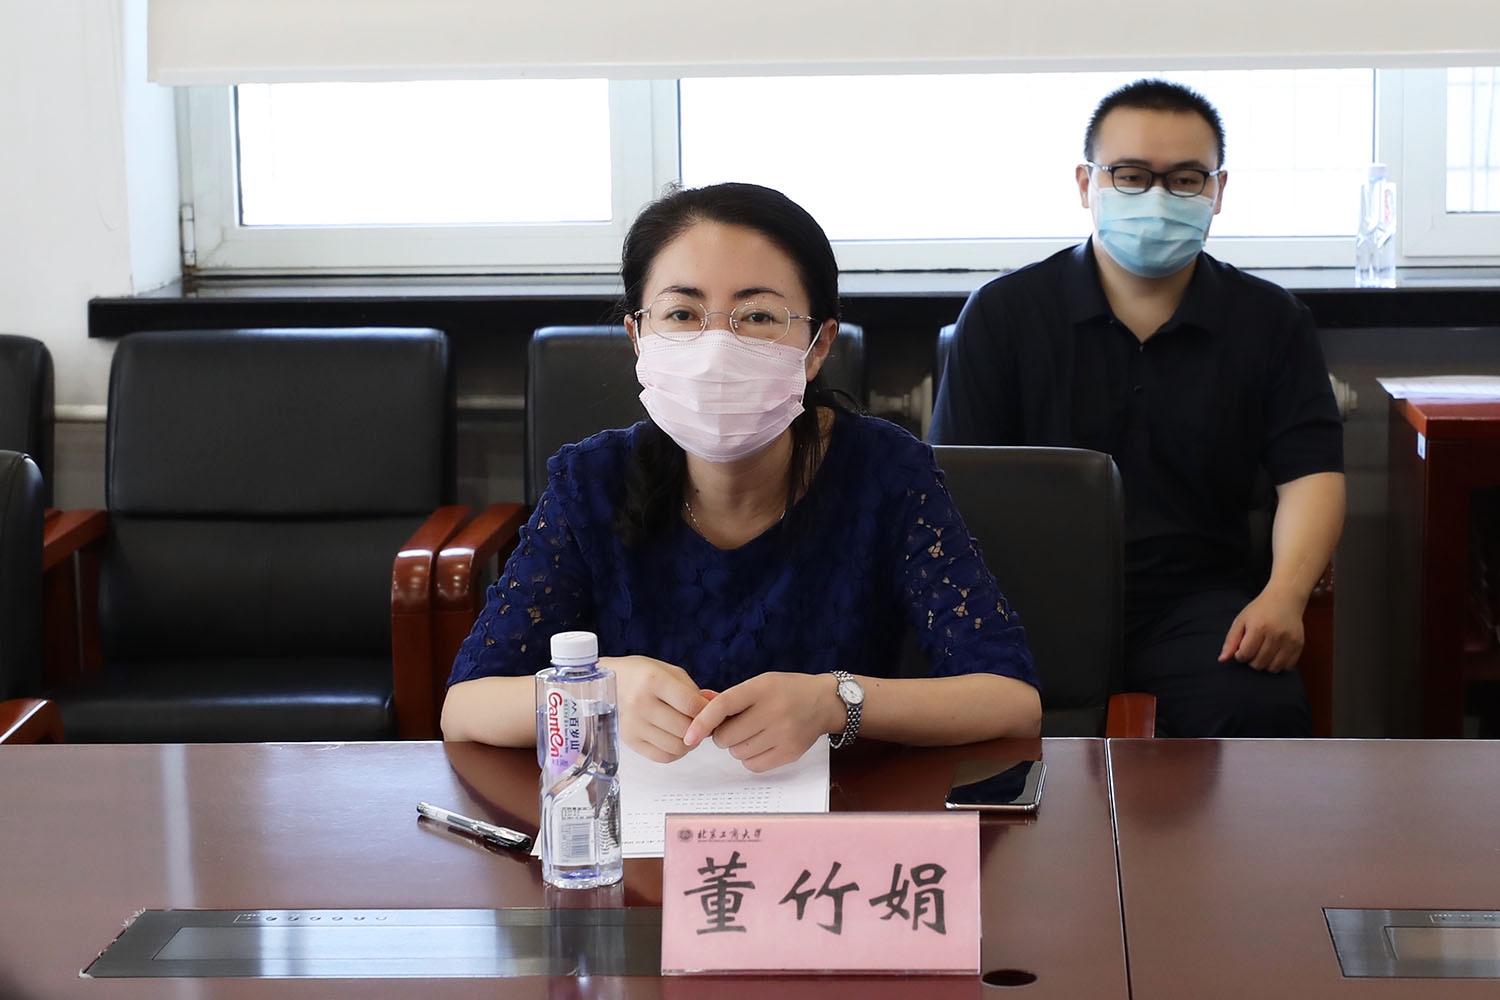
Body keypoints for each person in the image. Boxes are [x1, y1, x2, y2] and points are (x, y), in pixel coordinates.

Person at [444, 182, 1041, 767]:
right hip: (639, 823)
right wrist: (600, 690)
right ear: (638, 337)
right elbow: (466, 708)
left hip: (839, 815)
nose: (716, 351)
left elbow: (1010, 701)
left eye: (757, 316)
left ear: (817, 345)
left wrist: (836, 701)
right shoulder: (591, 481)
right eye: (682, 314)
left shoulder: (885, 471)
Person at [929, 79, 1346, 738]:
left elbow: (1312, 475)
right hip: (1027, 600)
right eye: (1130, 175)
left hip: (1198, 601)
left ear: (1217, 190)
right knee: (985, 745)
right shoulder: (1003, 315)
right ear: (1086, 183)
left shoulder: (1271, 321)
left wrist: (1284, 596)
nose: (1157, 197)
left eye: (1184, 179)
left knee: (1255, 716)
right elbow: (954, 488)